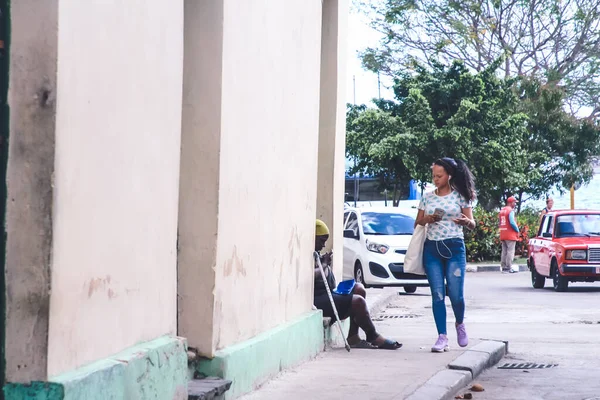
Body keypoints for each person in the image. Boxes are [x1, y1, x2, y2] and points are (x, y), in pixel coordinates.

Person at [414, 157, 476, 353]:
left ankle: (460, 323)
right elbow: (417, 223)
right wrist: (428, 218)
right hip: (432, 249)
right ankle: (442, 336)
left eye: (439, 176)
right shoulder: (427, 197)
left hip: (455, 248)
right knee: (437, 295)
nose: (436, 179)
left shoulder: (460, 197)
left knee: (456, 295)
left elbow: (473, 223)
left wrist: (466, 222)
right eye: (434, 176)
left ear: (449, 175)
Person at [313, 219, 401, 350]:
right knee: (357, 301)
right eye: (321, 240)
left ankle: (353, 336)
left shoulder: (317, 253)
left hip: (329, 293)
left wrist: (326, 264)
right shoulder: (305, 254)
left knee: (359, 288)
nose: (323, 244)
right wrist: (324, 265)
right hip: (318, 299)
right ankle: (373, 336)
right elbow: (311, 275)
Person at [499, 197, 520, 273]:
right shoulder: (510, 211)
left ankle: (503, 267)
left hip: (503, 233)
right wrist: (517, 230)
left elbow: (500, 222)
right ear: (511, 202)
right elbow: (512, 222)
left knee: (504, 251)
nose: (515, 204)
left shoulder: (502, 210)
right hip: (510, 234)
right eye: (514, 202)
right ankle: (509, 267)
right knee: (510, 251)